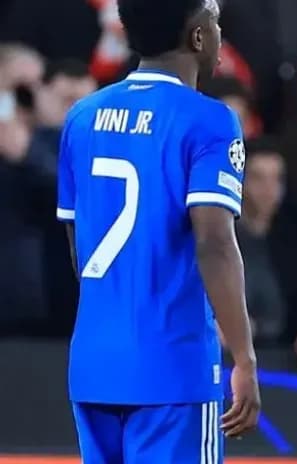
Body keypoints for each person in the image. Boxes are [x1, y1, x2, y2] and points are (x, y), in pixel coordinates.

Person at [55, 0, 260, 462]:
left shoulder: (82, 117)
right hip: (174, 366)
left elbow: (78, 247)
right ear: (199, 37)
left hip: (95, 364)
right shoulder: (210, 119)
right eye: (215, 20)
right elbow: (213, 242)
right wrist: (244, 358)